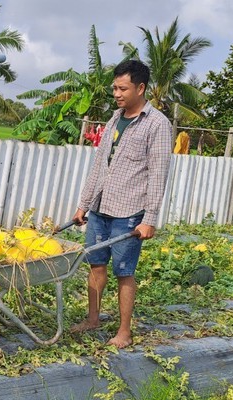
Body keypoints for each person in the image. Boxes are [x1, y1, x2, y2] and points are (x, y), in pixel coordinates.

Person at [70, 59, 172, 348]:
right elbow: (99, 165)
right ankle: (92, 319)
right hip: (101, 208)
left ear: (141, 88)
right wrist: (84, 204)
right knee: (95, 265)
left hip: (129, 211)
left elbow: (158, 173)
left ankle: (124, 331)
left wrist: (149, 218)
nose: (116, 93)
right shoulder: (115, 119)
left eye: (122, 88)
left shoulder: (157, 125)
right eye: (114, 87)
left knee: (124, 272)